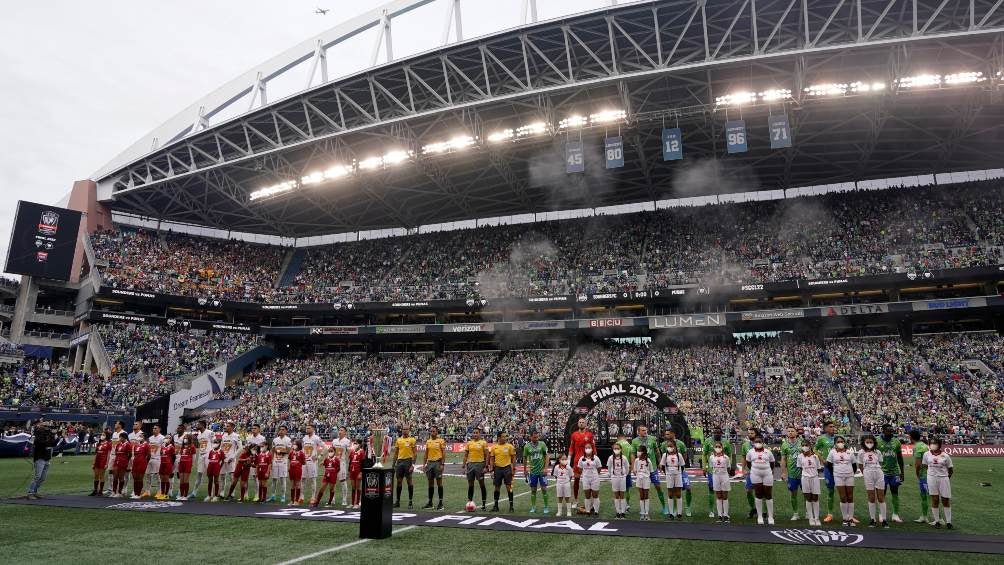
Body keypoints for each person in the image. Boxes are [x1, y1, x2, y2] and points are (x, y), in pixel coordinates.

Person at [632, 425, 667, 515]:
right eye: (643, 430)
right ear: (638, 431)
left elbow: (657, 451)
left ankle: (664, 507)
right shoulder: (635, 441)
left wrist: (660, 462)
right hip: (642, 470)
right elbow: (632, 454)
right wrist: (633, 467)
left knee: (658, 487)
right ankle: (642, 509)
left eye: (646, 430)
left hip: (653, 468)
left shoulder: (652, 439)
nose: (645, 431)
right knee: (642, 490)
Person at [921, 437, 954, 529]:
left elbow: (950, 469)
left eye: (935, 443)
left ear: (939, 444)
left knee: (945, 500)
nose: (933, 445)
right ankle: (937, 521)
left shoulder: (945, 456)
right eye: (931, 443)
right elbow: (925, 466)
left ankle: (948, 522)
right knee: (935, 500)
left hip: (943, 479)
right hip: (931, 478)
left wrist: (946, 478)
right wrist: (930, 475)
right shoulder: (926, 454)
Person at [744, 433, 776, 525]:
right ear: (754, 443)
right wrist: (755, 470)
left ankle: (770, 516)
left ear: (763, 442)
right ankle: (760, 516)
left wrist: (768, 470)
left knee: (768, 494)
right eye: (756, 442)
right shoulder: (750, 452)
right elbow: (749, 463)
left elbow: (772, 463)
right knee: (758, 494)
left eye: (760, 442)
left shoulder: (768, 451)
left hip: (767, 474)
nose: (758, 443)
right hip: (755, 474)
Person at [826, 435, 857, 527]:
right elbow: (829, 465)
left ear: (844, 442)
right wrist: (835, 473)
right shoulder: (832, 453)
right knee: (843, 497)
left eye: (842, 441)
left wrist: (851, 473)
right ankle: (845, 518)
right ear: (835, 443)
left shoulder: (849, 452)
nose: (840, 443)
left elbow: (854, 465)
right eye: (838, 442)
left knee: (850, 497)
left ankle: (850, 519)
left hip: (849, 476)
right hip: (838, 476)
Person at [877, 424, 905, 523]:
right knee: (882, 493)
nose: (890, 432)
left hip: (895, 472)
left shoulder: (896, 441)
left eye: (892, 431)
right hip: (882, 471)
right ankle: (881, 514)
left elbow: (900, 458)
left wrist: (902, 472)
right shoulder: (877, 441)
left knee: (895, 492)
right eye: (888, 430)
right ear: (883, 430)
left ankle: (895, 514)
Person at [858, 435, 888, 528]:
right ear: (863, 443)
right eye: (867, 442)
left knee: (881, 497)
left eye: (871, 442)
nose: (869, 444)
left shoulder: (877, 452)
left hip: (878, 473)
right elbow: (860, 465)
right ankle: (873, 519)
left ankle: (884, 519)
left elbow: (881, 463)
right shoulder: (861, 452)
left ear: (874, 442)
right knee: (871, 498)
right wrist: (866, 473)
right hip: (868, 473)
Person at [701, 427, 731, 518]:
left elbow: (729, 455)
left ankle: (724, 513)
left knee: (724, 491)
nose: (716, 434)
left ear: (721, 433)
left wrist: (731, 468)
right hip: (712, 470)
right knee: (711, 489)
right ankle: (711, 510)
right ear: (713, 433)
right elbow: (704, 454)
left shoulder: (726, 442)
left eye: (718, 432)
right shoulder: (707, 441)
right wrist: (704, 467)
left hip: (723, 471)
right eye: (715, 432)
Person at [567, 418, 595, 513]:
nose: (581, 423)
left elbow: (593, 447)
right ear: (578, 424)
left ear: (586, 424)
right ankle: (575, 500)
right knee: (576, 481)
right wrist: (569, 458)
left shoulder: (590, 435)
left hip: (588, 461)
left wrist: (595, 458)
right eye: (580, 422)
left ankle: (591, 501)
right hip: (577, 461)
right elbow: (571, 447)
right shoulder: (574, 434)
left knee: (590, 481)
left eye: (583, 422)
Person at [663, 429, 691, 516]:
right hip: (670, 473)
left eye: (668, 434)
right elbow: (663, 462)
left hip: (680, 471)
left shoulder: (681, 444)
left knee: (687, 489)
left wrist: (679, 468)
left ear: (673, 434)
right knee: (671, 493)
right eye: (666, 434)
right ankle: (673, 511)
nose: (666, 436)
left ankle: (687, 509)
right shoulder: (664, 445)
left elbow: (685, 455)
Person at [814, 421, 839, 523]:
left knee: (845, 491)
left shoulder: (839, 439)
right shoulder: (821, 438)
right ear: (825, 429)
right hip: (828, 468)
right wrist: (821, 459)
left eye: (834, 426)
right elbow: (815, 449)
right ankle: (830, 514)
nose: (833, 428)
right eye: (831, 427)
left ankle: (848, 515)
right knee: (830, 491)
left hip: (840, 467)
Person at [26, 421, 55, 500]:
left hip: (47, 457)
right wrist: (48, 437)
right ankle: (30, 492)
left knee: (43, 478)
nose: (48, 427)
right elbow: (41, 443)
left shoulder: (48, 434)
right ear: (41, 426)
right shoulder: (38, 434)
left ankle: (35, 491)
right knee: (37, 476)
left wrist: (51, 435)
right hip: (40, 457)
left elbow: (53, 443)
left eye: (48, 426)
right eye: (46, 426)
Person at [522, 429, 549, 514]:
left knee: (544, 489)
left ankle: (546, 507)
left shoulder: (542, 444)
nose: (536, 438)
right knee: (533, 490)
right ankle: (533, 507)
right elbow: (525, 458)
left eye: (537, 437)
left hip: (542, 471)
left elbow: (547, 456)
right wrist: (525, 469)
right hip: (532, 472)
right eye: (534, 437)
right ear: (530, 437)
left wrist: (546, 468)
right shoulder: (527, 446)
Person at [797, 439, 823, 526]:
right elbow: (800, 468)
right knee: (808, 498)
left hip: (815, 478)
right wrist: (806, 475)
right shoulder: (800, 456)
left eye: (806, 445)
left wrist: (813, 475)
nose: (805, 447)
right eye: (803, 445)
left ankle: (817, 518)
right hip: (805, 478)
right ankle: (811, 518)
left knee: (815, 498)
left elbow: (818, 468)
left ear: (810, 446)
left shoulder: (815, 456)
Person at [779, 426, 802, 521]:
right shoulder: (784, 445)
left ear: (796, 433)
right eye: (788, 431)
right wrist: (784, 473)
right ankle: (795, 513)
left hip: (803, 473)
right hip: (792, 474)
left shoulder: (802, 443)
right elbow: (783, 460)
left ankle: (808, 512)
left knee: (807, 493)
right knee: (793, 494)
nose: (790, 432)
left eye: (792, 431)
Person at [909, 429, 932, 523]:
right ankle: (938, 517)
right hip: (930, 473)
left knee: (924, 496)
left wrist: (917, 473)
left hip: (923, 474)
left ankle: (924, 516)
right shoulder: (925, 445)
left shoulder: (917, 447)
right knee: (932, 496)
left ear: (911, 437)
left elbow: (918, 463)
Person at [490, 431, 517, 512]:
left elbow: (513, 458)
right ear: (498, 438)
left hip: (507, 468)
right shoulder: (494, 447)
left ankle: (511, 506)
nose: (505, 438)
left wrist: (513, 468)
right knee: (497, 488)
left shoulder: (510, 446)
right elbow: (492, 459)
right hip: (497, 469)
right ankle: (496, 506)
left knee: (509, 487)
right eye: (503, 437)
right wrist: (491, 470)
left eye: (505, 436)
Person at [463, 427, 489, 510]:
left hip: (480, 465)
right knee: (470, 485)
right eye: (474, 433)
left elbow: (487, 455)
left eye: (476, 432)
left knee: (482, 484)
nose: (475, 434)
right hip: (470, 465)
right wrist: (464, 466)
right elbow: (466, 455)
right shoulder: (469, 443)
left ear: (480, 434)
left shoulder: (483, 443)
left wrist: (486, 466)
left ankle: (484, 504)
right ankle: (469, 503)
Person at [391, 425, 417, 509]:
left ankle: (410, 502)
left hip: (408, 461)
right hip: (400, 462)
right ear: (401, 430)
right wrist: (393, 464)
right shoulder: (398, 440)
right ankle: (397, 501)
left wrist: (413, 465)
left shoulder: (412, 440)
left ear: (409, 430)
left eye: (406, 429)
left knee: (409, 481)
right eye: (403, 429)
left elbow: (415, 453)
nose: (405, 430)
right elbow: (395, 453)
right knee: (399, 481)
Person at [421, 426, 446, 510]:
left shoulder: (441, 441)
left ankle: (440, 503)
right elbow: (426, 454)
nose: (432, 433)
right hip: (429, 463)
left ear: (437, 432)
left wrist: (442, 464)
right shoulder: (428, 441)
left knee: (439, 483)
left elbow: (443, 453)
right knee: (430, 483)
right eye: (431, 431)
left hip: (437, 463)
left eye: (434, 431)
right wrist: (424, 464)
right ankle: (430, 503)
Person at [709, 440, 734, 522]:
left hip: (724, 476)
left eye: (719, 447)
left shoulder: (726, 457)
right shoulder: (712, 457)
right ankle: (719, 515)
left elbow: (728, 468)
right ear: (714, 448)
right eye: (716, 447)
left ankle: (726, 515)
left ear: (722, 448)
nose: (718, 448)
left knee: (725, 496)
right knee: (718, 496)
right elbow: (711, 467)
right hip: (716, 476)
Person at [660, 439, 686, 519]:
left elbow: (682, 466)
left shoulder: (679, 455)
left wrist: (679, 473)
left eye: (671, 446)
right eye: (668, 446)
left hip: (677, 474)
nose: (669, 448)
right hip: (669, 475)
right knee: (670, 494)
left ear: (675, 447)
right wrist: (666, 473)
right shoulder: (665, 455)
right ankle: (671, 513)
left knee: (678, 494)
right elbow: (662, 465)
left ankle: (679, 513)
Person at [301, 424, 324, 504]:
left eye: (308, 428)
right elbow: (303, 449)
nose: (307, 429)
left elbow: (324, 447)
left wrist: (319, 456)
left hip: (312, 462)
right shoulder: (304, 438)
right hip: (304, 462)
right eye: (306, 428)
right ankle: (302, 496)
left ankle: (313, 497)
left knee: (312, 479)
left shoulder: (316, 438)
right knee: (303, 479)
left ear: (313, 429)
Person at [219, 421, 241, 501]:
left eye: (227, 426)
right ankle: (222, 492)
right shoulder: (224, 436)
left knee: (232, 476)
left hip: (231, 459)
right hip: (223, 459)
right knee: (222, 476)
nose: (225, 427)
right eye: (226, 426)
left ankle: (232, 493)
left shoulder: (236, 436)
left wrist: (233, 457)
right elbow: (221, 447)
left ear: (232, 427)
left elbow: (240, 447)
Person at [607, 441, 630, 519]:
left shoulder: (624, 458)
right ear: (613, 449)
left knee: (622, 495)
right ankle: (618, 512)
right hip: (614, 477)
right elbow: (609, 468)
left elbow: (627, 468)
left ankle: (623, 512)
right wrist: (612, 476)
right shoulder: (610, 458)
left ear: (621, 449)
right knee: (616, 495)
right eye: (615, 448)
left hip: (622, 477)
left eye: (618, 448)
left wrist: (624, 475)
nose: (616, 450)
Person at [245, 424, 267, 502]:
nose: (253, 429)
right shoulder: (248, 437)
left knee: (256, 478)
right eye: (252, 428)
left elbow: (263, 449)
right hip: (249, 459)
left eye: (255, 428)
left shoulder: (262, 438)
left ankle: (257, 494)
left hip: (258, 459)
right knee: (246, 477)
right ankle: (245, 494)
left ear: (259, 430)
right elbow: (246, 448)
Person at [740, 428, 758, 519]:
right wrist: (743, 469)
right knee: (748, 491)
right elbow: (743, 457)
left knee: (761, 492)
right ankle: (753, 508)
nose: (750, 434)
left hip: (760, 471)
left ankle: (764, 512)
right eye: (749, 433)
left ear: (756, 434)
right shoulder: (745, 445)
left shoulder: (762, 444)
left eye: (752, 433)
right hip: (750, 472)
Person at [270, 425, 292, 503]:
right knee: (274, 480)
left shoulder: (288, 440)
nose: (281, 431)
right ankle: (273, 495)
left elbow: (289, 451)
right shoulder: (275, 440)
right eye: (280, 429)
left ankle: (283, 496)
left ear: (286, 431)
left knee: (283, 480)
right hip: (275, 462)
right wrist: (271, 461)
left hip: (283, 462)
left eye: (283, 429)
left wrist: (280, 451)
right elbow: (272, 451)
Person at [614, 430, 634, 512]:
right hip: (627, 469)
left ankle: (620, 506)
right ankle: (627, 505)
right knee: (627, 488)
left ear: (618, 438)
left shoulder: (617, 445)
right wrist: (632, 468)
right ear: (624, 437)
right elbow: (632, 456)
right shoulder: (629, 445)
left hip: (617, 470)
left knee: (618, 489)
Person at [193, 421, 214, 498]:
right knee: (199, 474)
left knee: (210, 475)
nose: (197, 425)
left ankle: (211, 494)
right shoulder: (199, 435)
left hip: (208, 455)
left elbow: (215, 443)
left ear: (202, 425)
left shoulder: (209, 432)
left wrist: (213, 454)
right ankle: (194, 492)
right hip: (201, 455)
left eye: (198, 424)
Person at [104, 421, 125, 495]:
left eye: (116, 423)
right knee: (110, 471)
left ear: (120, 425)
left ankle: (120, 490)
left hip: (118, 455)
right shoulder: (114, 433)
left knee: (118, 474)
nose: (115, 424)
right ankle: (110, 488)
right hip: (112, 455)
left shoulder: (123, 433)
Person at [633, 445, 653, 520]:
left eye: (639, 450)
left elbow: (651, 471)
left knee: (646, 495)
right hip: (639, 479)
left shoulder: (648, 461)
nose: (638, 452)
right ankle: (642, 512)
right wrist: (636, 472)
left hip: (646, 479)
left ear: (643, 452)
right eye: (638, 450)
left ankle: (646, 513)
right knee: (641, 496)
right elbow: (635, 470)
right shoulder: (636, 460)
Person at [332, 427, 351, 506]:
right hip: (333, 463)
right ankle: (332, 499)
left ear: (345, 432)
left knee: (343, 481)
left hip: (342, 463)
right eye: (339, 430)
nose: (339, 431)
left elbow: (349, 453)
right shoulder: (334, 441)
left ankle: (344, 499)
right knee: (332, 482)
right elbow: (331, 451)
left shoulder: (347, 441)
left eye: (342, 430)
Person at [89, 430, 112, 496]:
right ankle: (95, 490)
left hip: (103, 460)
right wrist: (93, 462)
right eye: (102, 435)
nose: (102, 436)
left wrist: (107, 463)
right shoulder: (99, 443)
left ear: (107, 436)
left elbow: (108, 454)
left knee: (101, 475)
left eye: (103, 435)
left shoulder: (108, 443)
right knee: (96, 475)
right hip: (97, 460)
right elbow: (96, 453)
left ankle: (100, 491)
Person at [144, 425, 165, 498]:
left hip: (157, 459)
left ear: (159, 429)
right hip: (150, 458)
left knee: (157, 476)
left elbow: (164, 449)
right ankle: (147, 491)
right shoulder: (150, 438)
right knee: (148, 475)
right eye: (153, 428)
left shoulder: (162, 438)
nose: (154, 429)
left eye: (155, 428)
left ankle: (159, 492)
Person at [130, 432, 151, 499]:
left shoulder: (146, 445)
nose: (139, 437)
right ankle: (135, 493)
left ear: (144, 437)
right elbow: (134, 454)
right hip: (135, 463)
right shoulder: (136, 445)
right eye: (139, 436)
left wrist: (145, 462)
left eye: (141, 436)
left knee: (139, 478)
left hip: (142, 463)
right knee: (135, 478)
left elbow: (149, 455)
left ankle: (138, 494)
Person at [111, 431, 131, 497]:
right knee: (115, 476)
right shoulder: (119, 444)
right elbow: (116, 452)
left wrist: (126, 460)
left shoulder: (128, 444)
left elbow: (130, 454)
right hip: (117, 461)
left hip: (123, 462)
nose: (119, 438)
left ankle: (119, 492)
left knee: (121, 477)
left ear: (124, 438)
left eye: (120, 437)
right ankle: (114, 491)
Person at [156, 435, 176, 500]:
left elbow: (173, 457)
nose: (166, 439)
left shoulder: (172, 447)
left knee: (166, 479)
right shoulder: (162, 446)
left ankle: (166, 494)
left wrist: (171, 464)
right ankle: (162, 493)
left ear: (170, 440)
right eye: (166, 437)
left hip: (168, 464)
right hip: (162, 464)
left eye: (168, 438)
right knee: (162, 479)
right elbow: (161, 454)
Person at [177, 435, 196, 500]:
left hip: (188, 463)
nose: (185, 439)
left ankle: (185, 496)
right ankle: (181, 495)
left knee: (185, 480)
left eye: (186, 438)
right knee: (181, 480)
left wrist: (191, 464)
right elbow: (180, 454)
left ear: (189, 439)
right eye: (184, 438)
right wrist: (178, 462)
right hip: (181, 463)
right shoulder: (182, 446)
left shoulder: (192, 446)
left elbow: (194, 457)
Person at [288, 439, 306, 505]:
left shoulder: (301, 453)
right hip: (292, 470)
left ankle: (296, 500)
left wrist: (298, 463)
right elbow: (289, 460)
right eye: (293, 444)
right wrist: (289, 467)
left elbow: (304, 462)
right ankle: (292, 500)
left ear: (298, 445)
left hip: (298, 470)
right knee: (292, 485)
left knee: (297, 484)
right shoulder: (291, 452)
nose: (294, 445)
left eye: (295, 444)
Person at [255, 439, 273, 503]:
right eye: (260, 447)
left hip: (265, 470)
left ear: (266, 446)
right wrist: (256, 472)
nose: (261, 448)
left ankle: (264, 498)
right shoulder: (259, 454)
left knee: (264, 484)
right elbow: (257, 464)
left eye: (262, 446)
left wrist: (267, 472)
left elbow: (270, 464)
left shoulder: (269, 454)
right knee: (260, 484)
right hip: (260, 471)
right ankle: (260, 498)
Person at [348, 439, 365, 509]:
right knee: (353, 487)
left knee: (358, 487)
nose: (354, 444)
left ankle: (357, 503)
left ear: (360, 444)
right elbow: (350, 461)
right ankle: (352, 503)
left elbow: (363, 463)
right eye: (354, 443)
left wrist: (361, 472)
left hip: (358, 471)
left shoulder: (362, 451)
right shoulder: (352, 452)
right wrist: (348, 470)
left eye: (356, 443)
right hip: (352, 471)